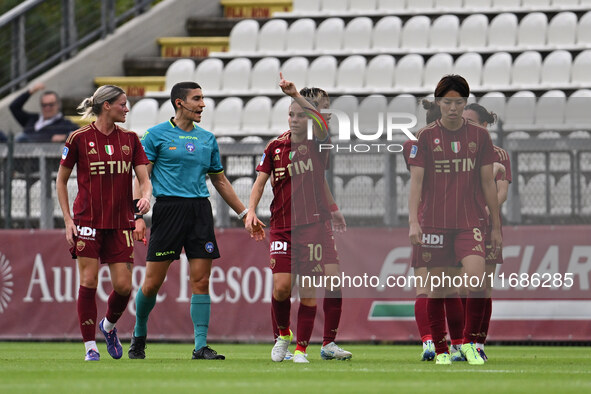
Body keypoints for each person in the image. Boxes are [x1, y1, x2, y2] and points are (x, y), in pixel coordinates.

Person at [128, 81, 263, 361]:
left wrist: (244, 213)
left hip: (200, 211)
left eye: (203, 99)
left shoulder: (207, 139)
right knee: (152, 283)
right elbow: (142, 178)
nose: (203, 104)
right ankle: (139, 333)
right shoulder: (155, 136)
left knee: (201, 280)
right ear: (179, 103)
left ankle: (200, 346)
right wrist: (137, 215)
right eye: (197, 99)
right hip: (168, 211)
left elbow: (220, 180)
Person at [245, 74, 352, 363]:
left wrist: (295, 95)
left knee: (320, 285)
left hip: (314, 227)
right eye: (290, 114)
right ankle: (283, 335)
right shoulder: (275, 147)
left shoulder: (319, 143)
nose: (294, 119)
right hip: (281, 227)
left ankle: (311, 346)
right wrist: (251, 210)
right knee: (281, 288)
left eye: (299, 114)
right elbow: (259, 183)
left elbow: (322, 129)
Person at [408, 75, 502, 366]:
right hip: (435, 223)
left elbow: (488, 183)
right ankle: (441, 350)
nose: (453, 108)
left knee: (475, 279)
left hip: (469, 221)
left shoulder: (480, 136)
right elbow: (416, 183)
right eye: (447, 102)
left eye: (458, 102)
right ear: (439, 103)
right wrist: (414, 221)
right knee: (439, 289)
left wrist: (496, 226)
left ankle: (471, 343)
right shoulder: (424, 137)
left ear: (465, 103)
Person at [56, 85, 152, 361]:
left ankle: (108, 326)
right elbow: (61, 181)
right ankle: (90, 348)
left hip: (121, 222)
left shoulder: (131, 139)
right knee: (88, 280)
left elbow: (144, 179)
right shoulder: (78, 138)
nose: (127, 108)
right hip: (87, 221)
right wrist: (68, 221)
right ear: (107, 105)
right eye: (123, 103)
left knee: (124, 287)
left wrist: (145, 199)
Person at [463, 103, 511, 361]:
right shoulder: (458, 152)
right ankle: (462, 341)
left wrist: (481, 207)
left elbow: (501, 192)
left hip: (488, 224)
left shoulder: (499, 155)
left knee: (483, 287)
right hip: (460, 225)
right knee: (460, 286)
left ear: (483, 126)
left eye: (470, 121)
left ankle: (478, 343)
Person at [10, 82, 78, 142]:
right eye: (44, 105)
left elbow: (81, 136)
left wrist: (64, 137)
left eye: (51, 105)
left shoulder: (64, 124)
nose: (47, 108)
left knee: (21, 138)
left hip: (42, 153)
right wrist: (31, 91)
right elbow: (14, 107)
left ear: (58, 105)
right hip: (20, 151)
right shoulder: (32, 119)